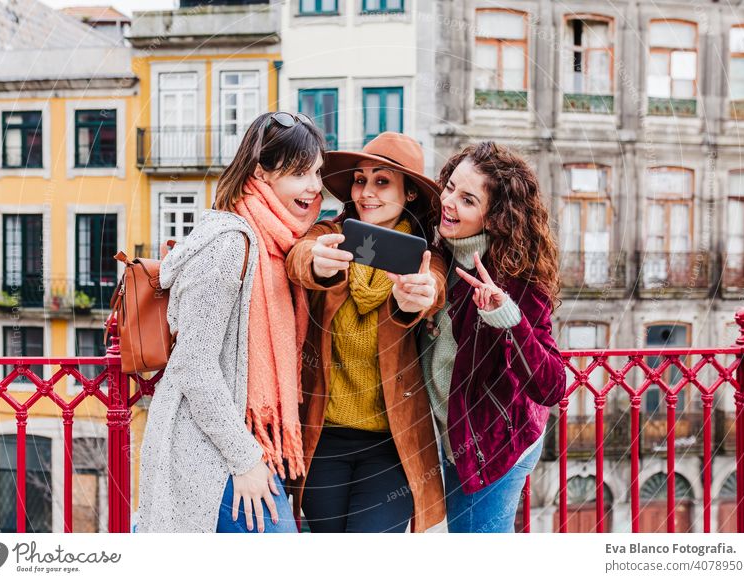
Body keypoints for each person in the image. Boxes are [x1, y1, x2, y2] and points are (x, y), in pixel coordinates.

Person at [136, 111, 324, 533]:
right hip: (211, 452)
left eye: (317, 172)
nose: (314, 186)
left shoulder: (275, 245)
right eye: (300, 173)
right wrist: (244, 458)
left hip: (244, 446)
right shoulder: (229, 244)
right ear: (261, 172)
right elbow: (193, 366)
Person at [285, 132, 446, 533]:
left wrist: (416, 300)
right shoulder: (329, 237)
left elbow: (434, 287)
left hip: (391, 445)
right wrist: (318, 265)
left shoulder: (426, 255)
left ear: (409, 194)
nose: (366, 192)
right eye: (360, 180)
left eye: (382, 181)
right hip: (323, 438)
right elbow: (299, 256)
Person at [419, 141, 566, 533]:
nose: (448, 202)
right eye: (449, 187)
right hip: (454, 439)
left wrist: (508, 318)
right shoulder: (440, 253)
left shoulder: (516, 278)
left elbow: (552, 384)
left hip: (496, 446)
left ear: (494, 217)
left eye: (467, 200)